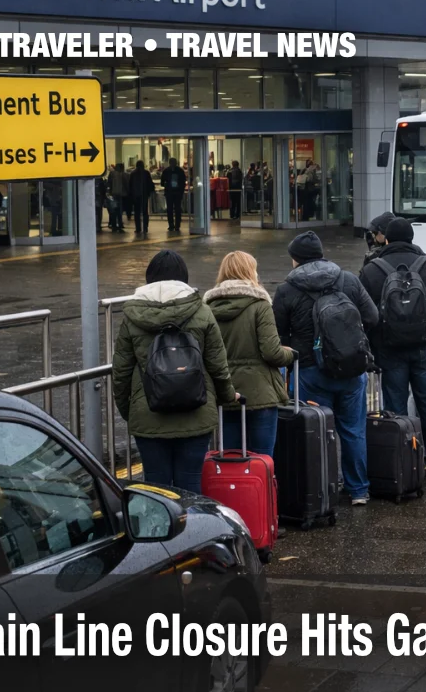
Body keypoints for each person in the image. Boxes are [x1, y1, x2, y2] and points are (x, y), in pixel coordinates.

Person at [111, 250, 236, 494]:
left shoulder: (132, 315)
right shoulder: (201, 311)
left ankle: (158, 532)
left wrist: (130, 411)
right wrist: (224, 398)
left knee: (155, 491)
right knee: (190, 487)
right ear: (183, 277)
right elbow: (218, 366)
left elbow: (121, 371)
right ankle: (191, 531)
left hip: (148, 413)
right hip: (196, 411)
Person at [274, 232, 379, 505]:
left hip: (310, 372)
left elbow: (277, 333)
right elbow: (372, 316)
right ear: (322, 254)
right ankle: (359, 491)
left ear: (295, 259)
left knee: (317, 431)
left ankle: (322, 489)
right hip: (351, 368)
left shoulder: (287, 289)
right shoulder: (348, 280)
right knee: (353, 431)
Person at [359, 217, 426, 481]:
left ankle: (402, 467)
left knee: (395, 408)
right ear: (413, 238)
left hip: (389, 350)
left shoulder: (372, 269)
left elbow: (364, 314)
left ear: (387, 239)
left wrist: (376, 342)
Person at [206, 252, 296, 458]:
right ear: (248, 272)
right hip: (261, 393)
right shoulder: (260, 305)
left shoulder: (208, 308)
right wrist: (290, 356)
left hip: (226, 391)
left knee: (230, 457)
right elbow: (272, 352)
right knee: (262, 459)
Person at [160, 157, 187, 231]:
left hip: (170, 193)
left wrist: (166, 185)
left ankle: (172, 225)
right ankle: (176, 225)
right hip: (177, 192)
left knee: (170, 209)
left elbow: (162, 182)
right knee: (177, 209)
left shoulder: (166, 171)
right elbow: (183, 181)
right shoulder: (180, 171)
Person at [128, 160, 155, 234]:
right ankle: (145, 227)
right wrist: (150, 192)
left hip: (136, 195)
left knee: (137, 213)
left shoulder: (133, 173)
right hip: (144, 195)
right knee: (145, 212)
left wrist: (130, 195)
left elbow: (130, 185)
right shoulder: (146, 173)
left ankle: (138, 228)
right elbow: (150, 184)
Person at [107, 163, 127, 232]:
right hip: (121, 195)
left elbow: (109, 183)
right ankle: (120, 224)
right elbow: (126, 184)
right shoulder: (123, 174)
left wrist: (108, 193)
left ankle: (114, 225)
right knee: (119, 211)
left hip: (113, 194)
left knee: (113, 211)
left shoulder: (112, 174)